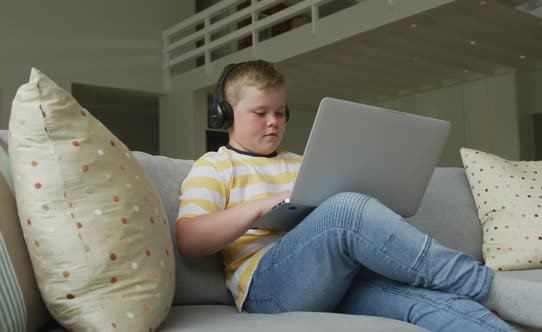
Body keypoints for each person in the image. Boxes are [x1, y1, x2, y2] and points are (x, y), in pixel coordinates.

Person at [175, 60, 516, 331]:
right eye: (260, 113)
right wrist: (264, 204)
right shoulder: (216, 165)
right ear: (226, 114)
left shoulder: (305, 162)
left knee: (430, 302)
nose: (273, 122)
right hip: (267, 290)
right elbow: (190, 240)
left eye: (280, 112)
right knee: (346, 207)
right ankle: (485, 283)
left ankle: (490, 301)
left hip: (335, 279)